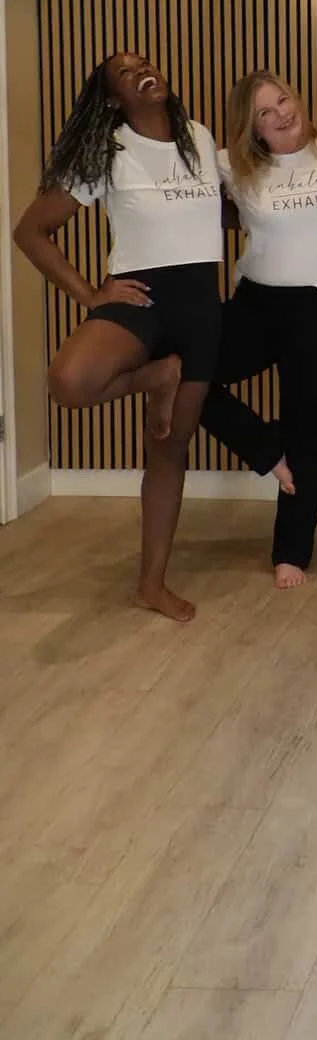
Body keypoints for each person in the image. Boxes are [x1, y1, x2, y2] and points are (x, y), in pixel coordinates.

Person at [13, 52, 222, 622]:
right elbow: (31, 231)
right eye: (126, 73)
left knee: (169, 448)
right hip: (142, 298)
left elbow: (223, 206)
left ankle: (151, 584)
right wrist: (89, 294)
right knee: (69, 382)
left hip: (201, 306)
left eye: (144, 63)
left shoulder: (200, 137)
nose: (142, 71)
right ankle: (157, 375)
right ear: (113, 99)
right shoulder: (107, 150)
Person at [200, 71, 317, 587]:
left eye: (283, 100)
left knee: (307, 428)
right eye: (265, 112)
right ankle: (264, 447)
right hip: (258, 302)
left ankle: (291, 551)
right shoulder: (232, 166)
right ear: (252, 128)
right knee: (186, 374)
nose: (281, 114)